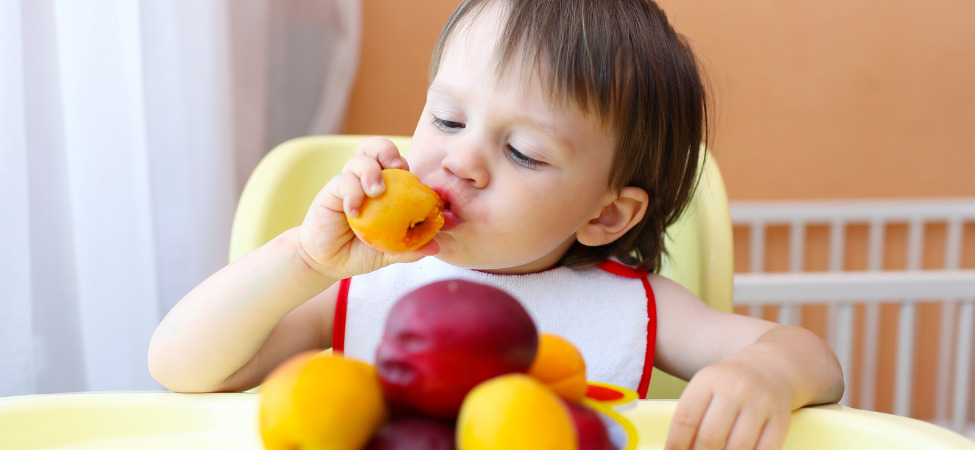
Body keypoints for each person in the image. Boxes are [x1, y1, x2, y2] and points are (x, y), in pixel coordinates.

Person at [149, 0, 844, 448]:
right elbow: (182, 368)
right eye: (446, 119)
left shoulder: (634, 304)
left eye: (522, 152)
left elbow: (812, 358)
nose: (462, 159)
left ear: (605, 214)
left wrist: (765, 376)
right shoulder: (367, 288)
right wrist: (303, 260)